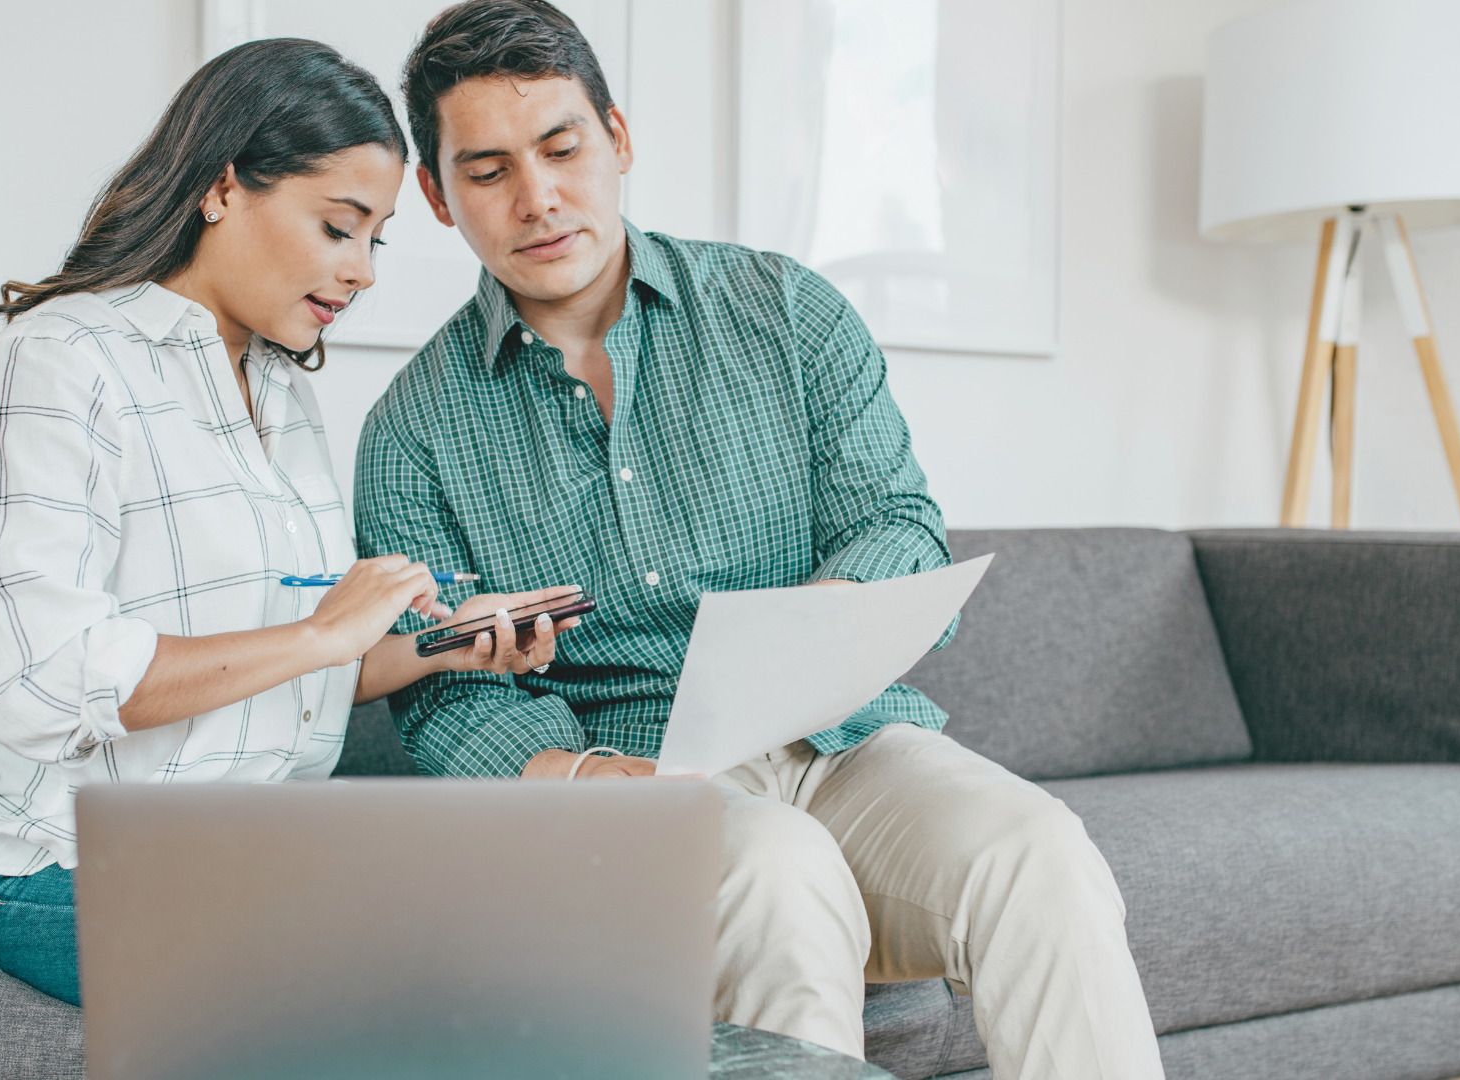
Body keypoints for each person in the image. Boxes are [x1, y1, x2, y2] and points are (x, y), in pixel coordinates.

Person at [354, 3, 1166, 1078]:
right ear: (437, 196)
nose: (539, 197)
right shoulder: (411, 429)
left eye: (563, 149)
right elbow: (443, 695)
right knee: (777, 875)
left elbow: (899, 525)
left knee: (1038, 852)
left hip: (848, 740)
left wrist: (815, 628)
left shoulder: (785, 311)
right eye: (489, 169)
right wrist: (583, 774)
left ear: (619, 139)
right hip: (630, 779)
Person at [0, 37, 578, 1007]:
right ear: (222, 188)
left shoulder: (280, 390)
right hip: (71, 866)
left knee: (553, 933)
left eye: (376, 238)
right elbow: (39, 677)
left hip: (261, 853)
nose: (362, 272)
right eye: (338, 227)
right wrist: (321, 631)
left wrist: (447, 646)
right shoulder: (62, 360)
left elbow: (297, 674)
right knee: (421, 991)